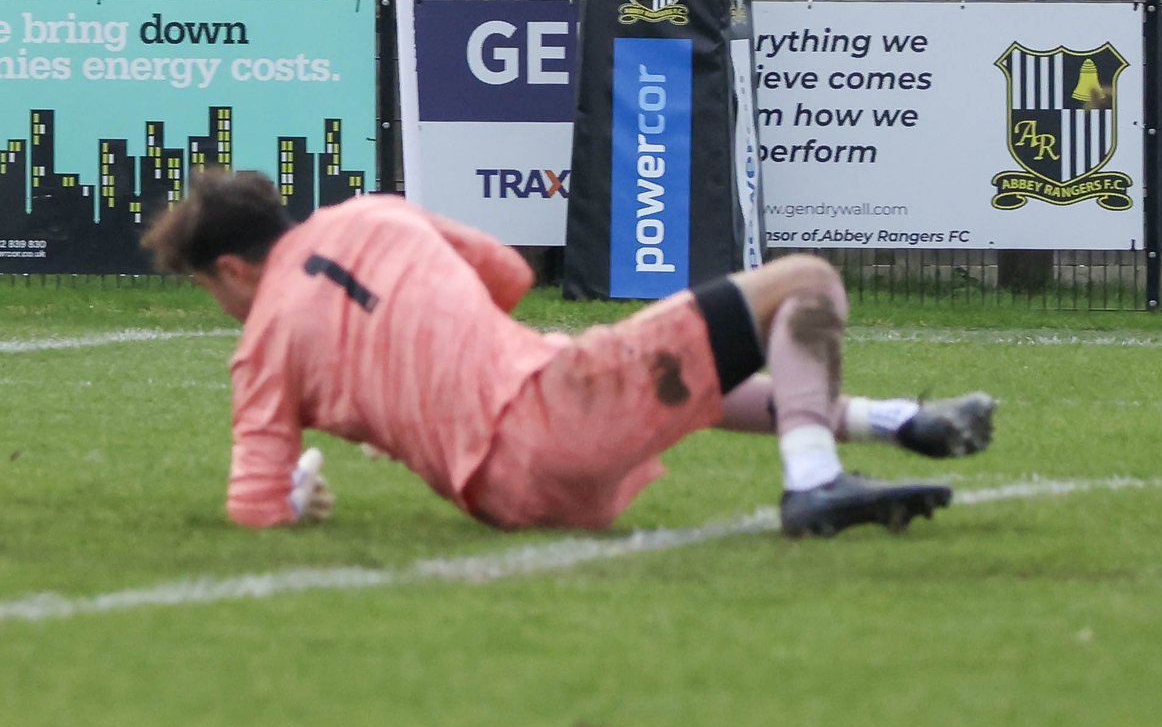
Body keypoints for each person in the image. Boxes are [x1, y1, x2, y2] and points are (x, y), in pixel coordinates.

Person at [142, 173, 996, 536]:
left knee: (629, 373)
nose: (220, 305)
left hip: (508, 499)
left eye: (208, 288)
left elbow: (254, 506)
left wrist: (304, 488)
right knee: (807, 278)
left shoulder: (261, 351)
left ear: (232, 268)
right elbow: (508, 274)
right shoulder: (376, 211)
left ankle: (893, 421)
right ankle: (814, 481)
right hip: (557, 418)